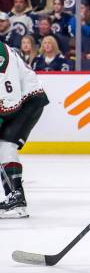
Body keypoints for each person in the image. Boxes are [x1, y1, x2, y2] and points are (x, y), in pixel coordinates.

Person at [0, 40, 49, 218]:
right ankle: (16, 198)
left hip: (27, 101)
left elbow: (9, 97)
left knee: (5, 145)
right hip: (14, 103)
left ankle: (16, 197)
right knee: (4, 146)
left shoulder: (0, 53)